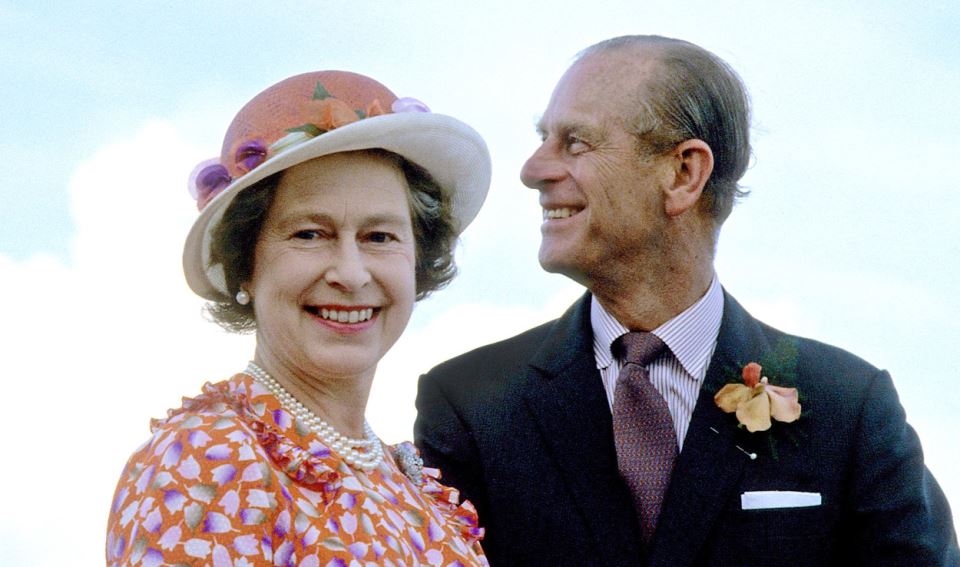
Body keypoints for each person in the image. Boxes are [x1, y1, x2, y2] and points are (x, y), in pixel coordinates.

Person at [414, 35, 959, 566]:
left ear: (684, 173)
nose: (533, 170)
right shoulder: (469, 405)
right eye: (544, 137)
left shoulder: (850, 407)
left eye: (575, 142)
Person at [105, 70, 492, 565]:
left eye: (380, 237)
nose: (351, 274)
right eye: (310, 234)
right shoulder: (209, 459)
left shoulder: (413, 487)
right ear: (245, 265)